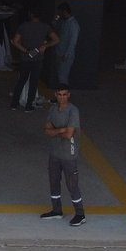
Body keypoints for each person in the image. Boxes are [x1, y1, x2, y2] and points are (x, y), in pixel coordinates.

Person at [40, 85, 86, 226]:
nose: (62, 97)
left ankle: (80, 214)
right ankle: (56, 210)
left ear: (69, 95)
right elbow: (46, 130)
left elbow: (69, 134)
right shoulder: (53, 109)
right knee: (54, 181)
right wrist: (61, 130)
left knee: (72, 184)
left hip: (68, 154)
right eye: (59, 94)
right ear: (56, 95)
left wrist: (55, 131)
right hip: (55, 152)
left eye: (64, 94)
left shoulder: (73, 111)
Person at [9, 9, 58, 111]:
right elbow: (56, 39)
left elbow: (15, 41)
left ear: (30, 15)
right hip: (38, 58)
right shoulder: (45, 27)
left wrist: (25, 50)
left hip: (25, 58)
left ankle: (14, 103)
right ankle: (29, 105)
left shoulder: (23, 26)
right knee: (34, 82)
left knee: (21, 81)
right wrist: (45, 46)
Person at [52, 2, 81, 88]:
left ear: (64, 11)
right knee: (60, 76)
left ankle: (63, 94)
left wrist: (67, 55)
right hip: (59, 53)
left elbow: (73, 42)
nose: (59, 14)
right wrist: (56, 19)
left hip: (65, 55)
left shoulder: (74, 25)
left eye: (60, 12)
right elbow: (54, 26)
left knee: (63, 77)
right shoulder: (63, 22)